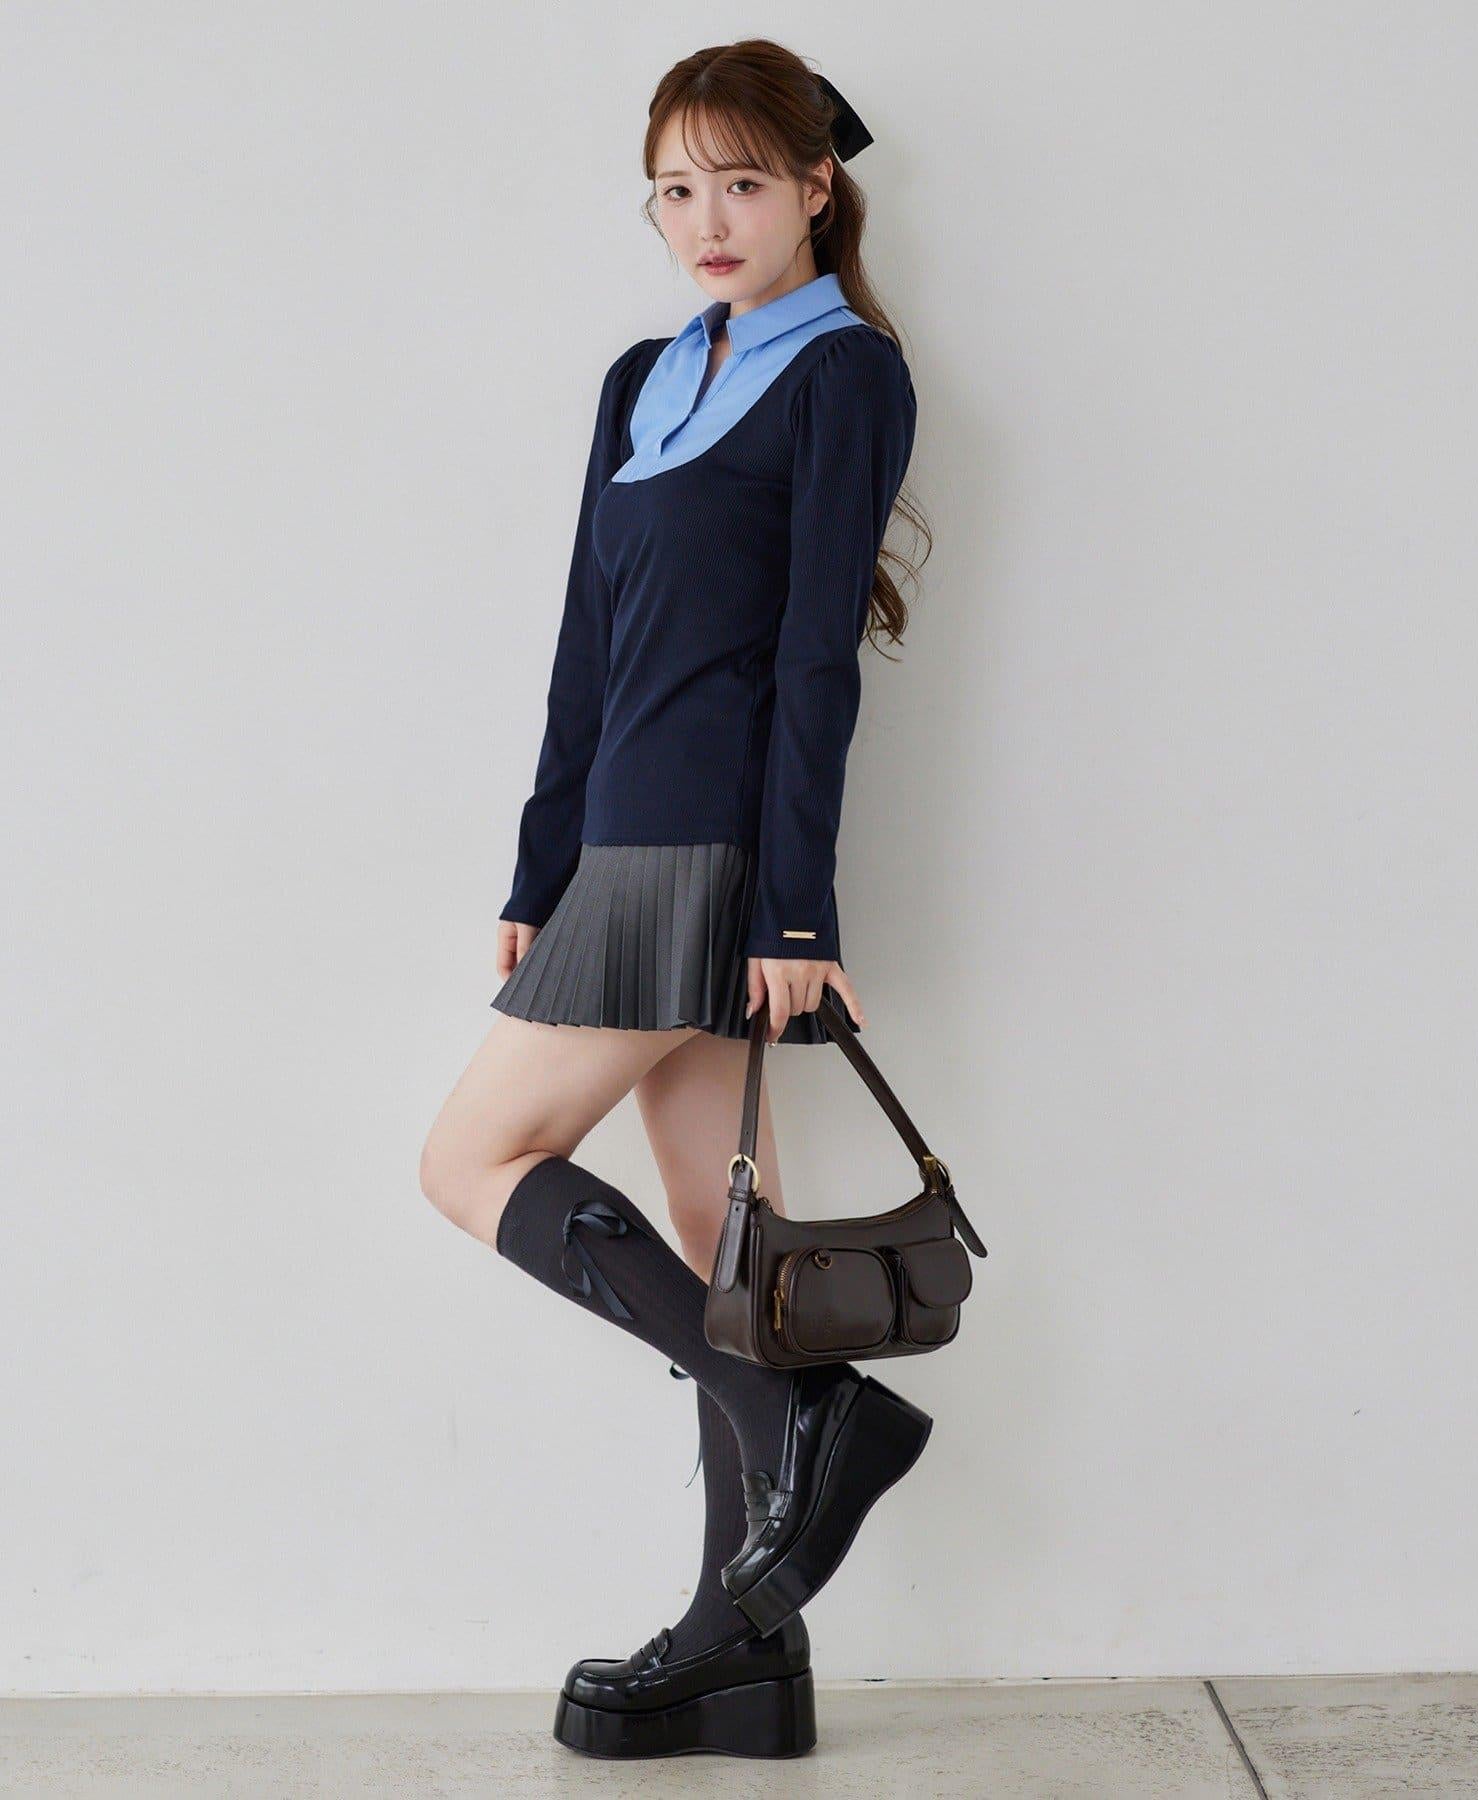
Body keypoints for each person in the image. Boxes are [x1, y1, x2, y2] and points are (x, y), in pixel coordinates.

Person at [420, 37, 933, 1761]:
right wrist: (539, 862)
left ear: (816, 191)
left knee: (466, 1162)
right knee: (730, 1248)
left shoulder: (846, 373)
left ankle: (805, 1418)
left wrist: (797, 915)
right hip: (619, 845)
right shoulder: (644, 375)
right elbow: (589, 641)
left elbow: (813, 664)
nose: (706, 219)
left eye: (742, 183)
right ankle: (745, 1653)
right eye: (675, 190)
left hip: (709, 852)